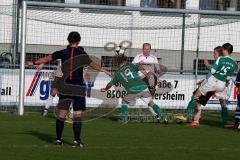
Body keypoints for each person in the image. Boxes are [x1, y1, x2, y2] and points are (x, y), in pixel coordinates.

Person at [28, 31, 111, 147]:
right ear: (78, 41)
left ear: (68, 40)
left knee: (61, 115)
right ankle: (77, 141)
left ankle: (58, 140)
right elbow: (93, 64)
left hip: (65, 87)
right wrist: (105, 70)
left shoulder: (63, 52)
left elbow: (48, 58)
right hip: (78, 88)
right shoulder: (82, 53)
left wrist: (33, 62)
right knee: (77, 115)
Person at [177, 43, 237, 126]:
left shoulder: (220, 60)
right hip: (222, 84)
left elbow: (212, 72)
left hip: (213, 82)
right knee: (223, 103)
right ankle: (225, 122)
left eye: (215, 53)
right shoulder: (234, 63)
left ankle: (187, 117)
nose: (213, 55)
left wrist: (207, 65)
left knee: (195, 97)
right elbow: (228, 78)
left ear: (222, 52)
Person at [101, 54, 167, 124]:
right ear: (125, 60)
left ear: (117, 63)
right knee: (151, 103)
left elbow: (110, 84)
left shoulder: (118, 73)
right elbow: (139, 67)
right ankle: (163, 118)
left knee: (124, 101)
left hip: (133, 90)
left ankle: (124, 119)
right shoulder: (131, 65)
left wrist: (105, 89)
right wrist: (146, 74)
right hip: (144, 87)